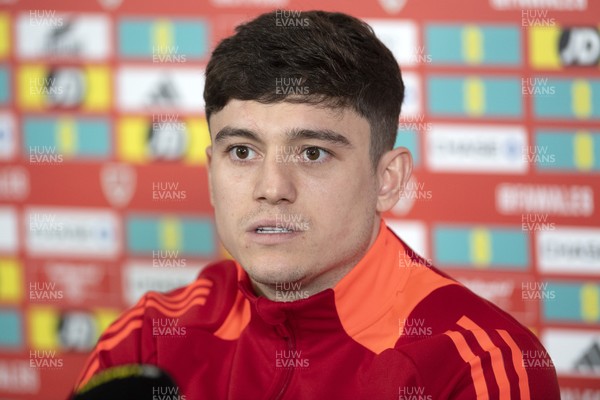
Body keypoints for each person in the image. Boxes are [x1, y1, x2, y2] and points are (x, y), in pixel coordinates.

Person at [74, 10, 560, 399]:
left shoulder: (477, 366)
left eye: (313, 153)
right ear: (211, 171)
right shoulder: (149, 339)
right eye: (242, 151)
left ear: (387, 180)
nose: (272, 187)